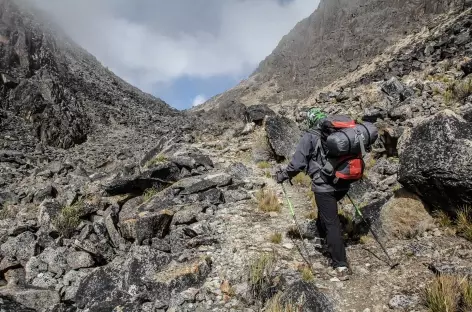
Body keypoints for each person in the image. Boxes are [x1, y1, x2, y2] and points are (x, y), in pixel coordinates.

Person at [275, 108, 352, 281]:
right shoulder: (338, 133)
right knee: (326, 214)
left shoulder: (309, 136)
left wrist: (283, 176)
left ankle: (340, 264)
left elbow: (296, 164)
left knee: (331, 222)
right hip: (343, 182)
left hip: (325, 186)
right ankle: (323, 240)